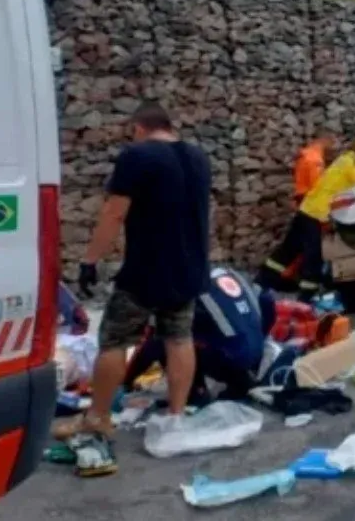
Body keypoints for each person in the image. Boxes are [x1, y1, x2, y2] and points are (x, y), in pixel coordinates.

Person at [75, 102, 213, 476]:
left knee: (114, 340)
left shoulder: (138, 156)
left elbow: (114, 213)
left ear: (139, 127)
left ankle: (98, 418)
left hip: (146, 271)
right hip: (190, 269)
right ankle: (176, 416)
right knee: (179, 338)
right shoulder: (198, 158)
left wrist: (90, 260)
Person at [124, 268, 276, 405]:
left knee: (171, 343)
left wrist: (125, 382)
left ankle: (195, 394)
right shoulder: (225, 273)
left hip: (231, 356)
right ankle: (242, 381)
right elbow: (266, 299)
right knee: (212, 336)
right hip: (255, 351)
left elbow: (149, 346)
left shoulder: (177, 292)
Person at [258, 137, 355, 300]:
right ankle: (306, 296)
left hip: (307, 209)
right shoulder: (354, 166)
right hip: (318, 214)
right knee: (313, 257)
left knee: (288, 249)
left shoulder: (343, 160)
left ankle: (261, 281)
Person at [294, 129, 337, 206]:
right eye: (332, 142)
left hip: (302, 196)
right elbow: (317, 185)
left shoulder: (308, 153)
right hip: (308, 199)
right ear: (325, 140)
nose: (333, 146)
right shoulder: (315, 159)